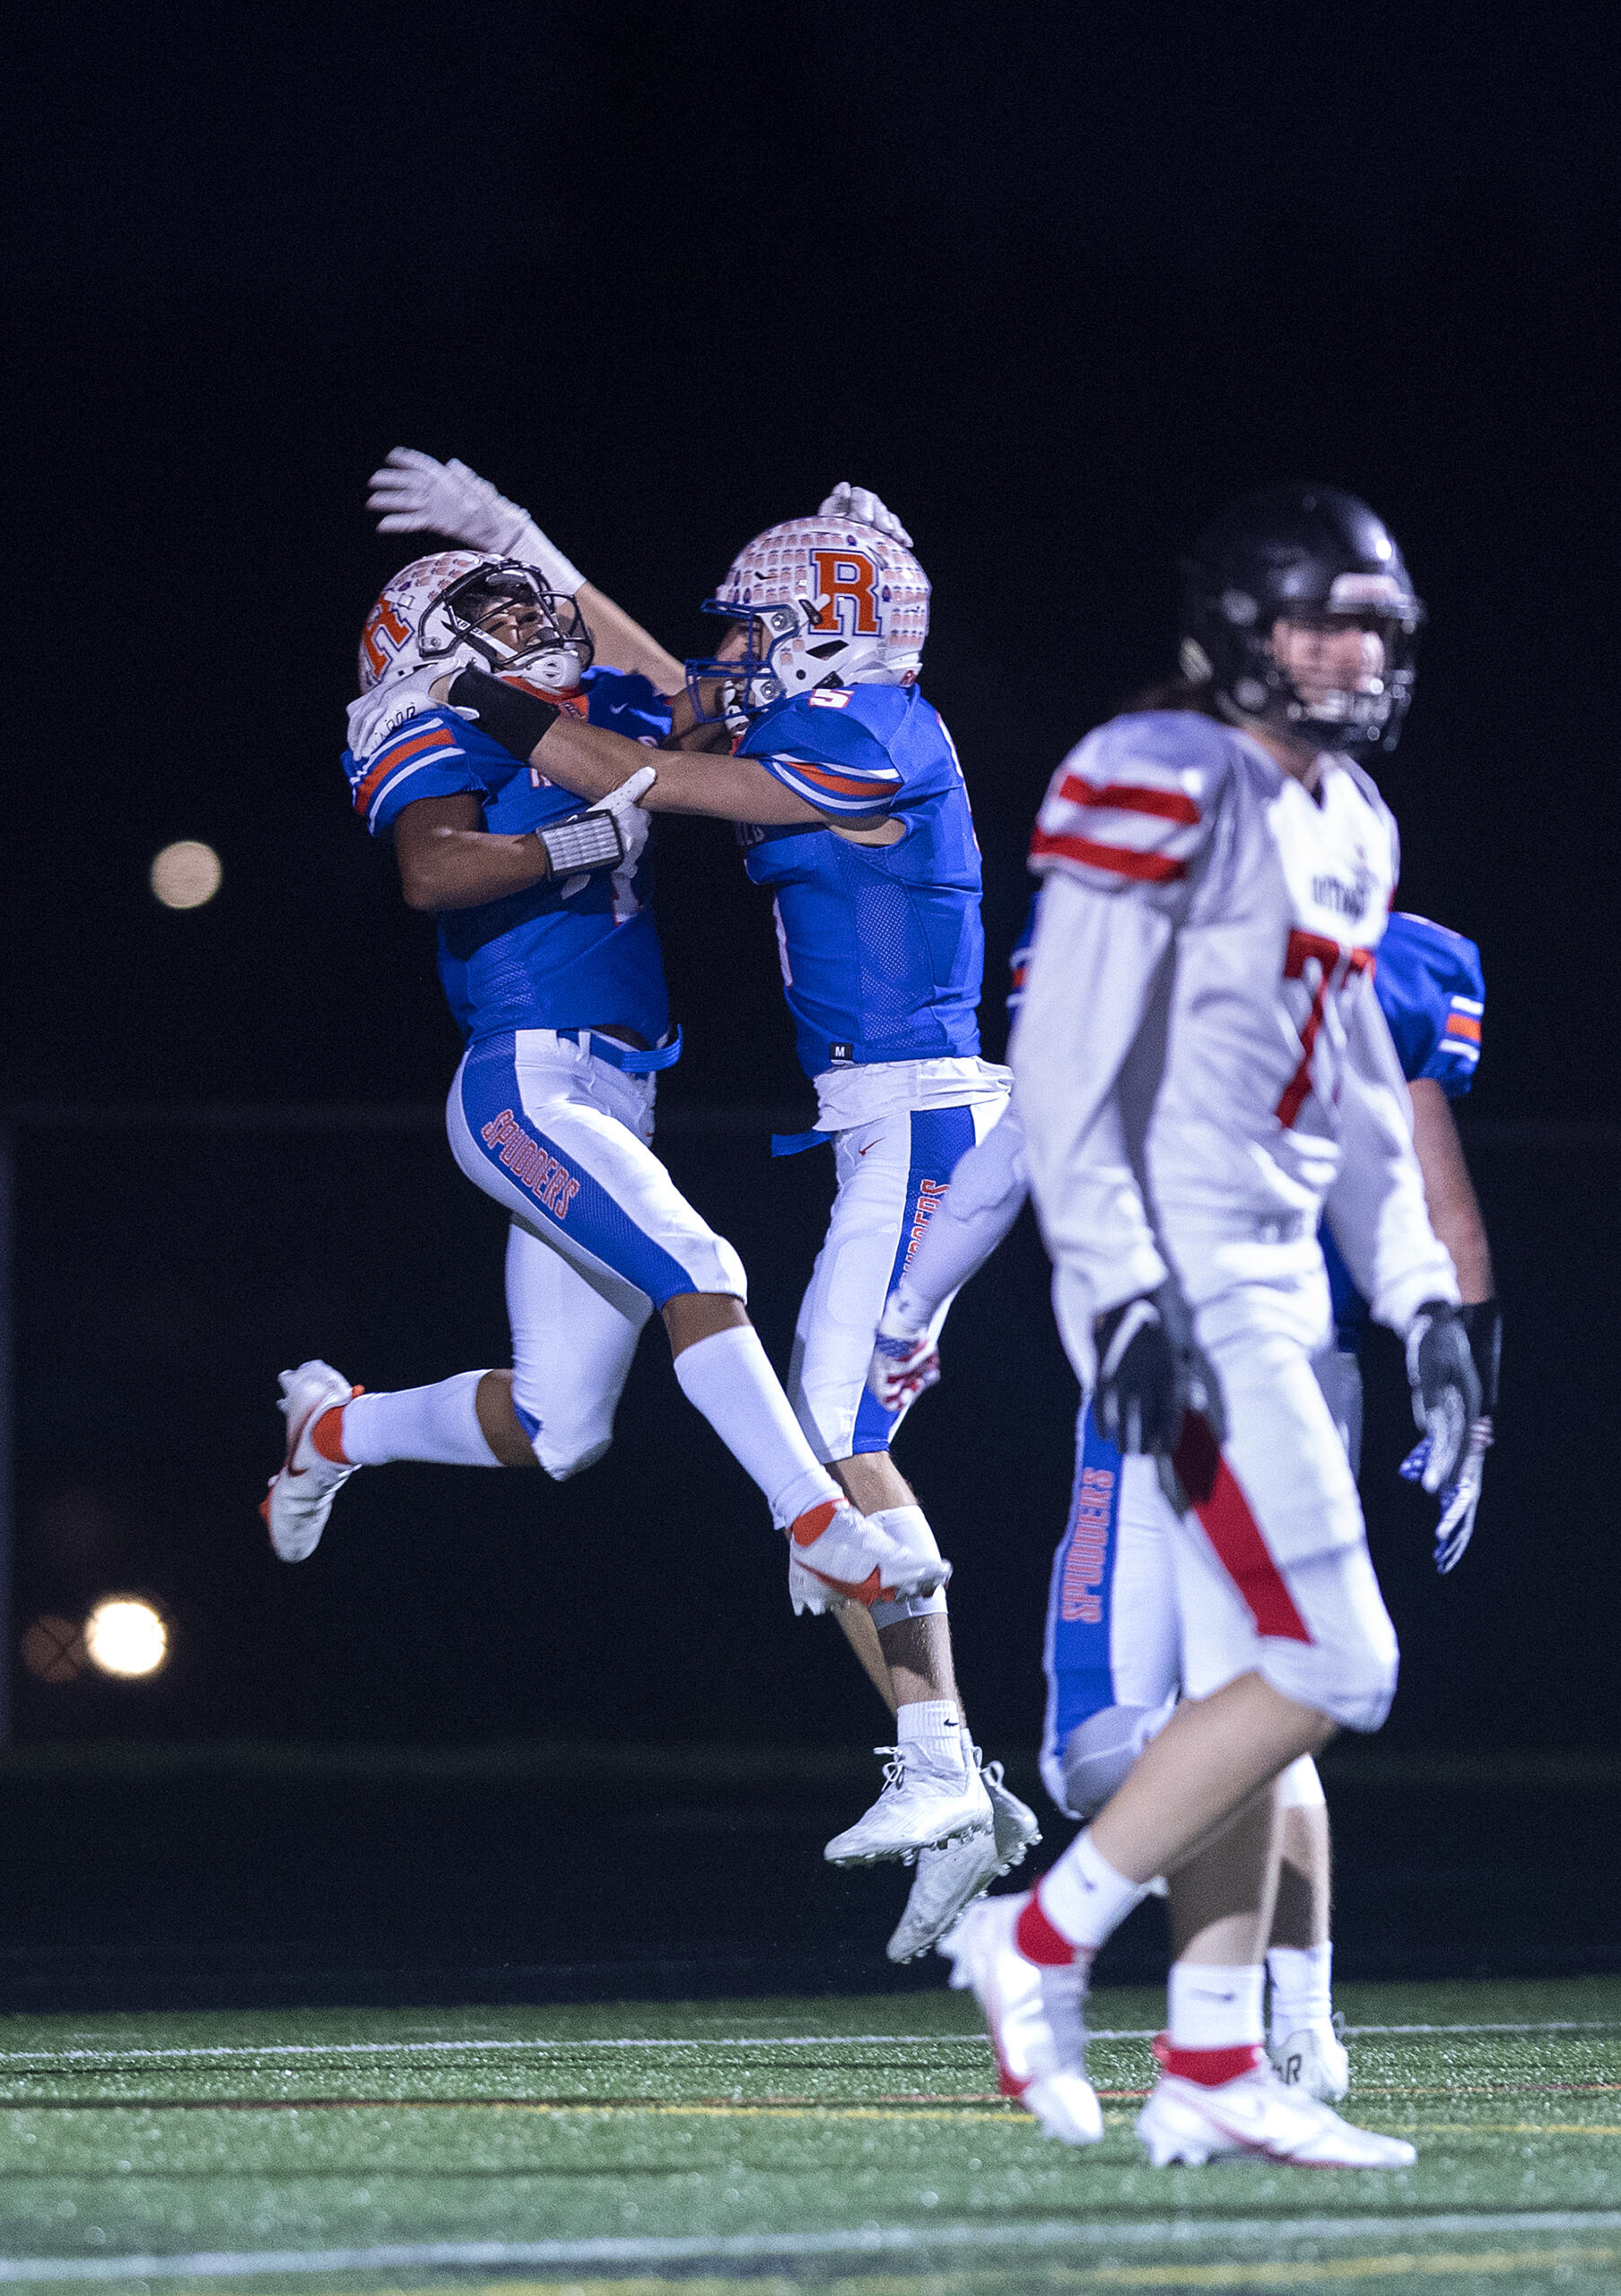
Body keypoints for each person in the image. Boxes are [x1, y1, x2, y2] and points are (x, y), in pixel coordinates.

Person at [356, 452, 1040, 1943]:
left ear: (821, 633)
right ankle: (952, 1777)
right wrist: (524, 540)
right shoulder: (830, 713)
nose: (728, 649)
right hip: (883, 1126)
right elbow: (663, 695)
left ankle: (939, 1763)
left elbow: (651, 772)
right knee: (821, 1439)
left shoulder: (867, 735)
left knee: (834, 1433)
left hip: (922, 1122)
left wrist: (471, 694)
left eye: (755, 625)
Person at [937, 483, 1478, 2168]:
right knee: (1337, 1660)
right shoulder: (1147, 775)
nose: (1344, 654)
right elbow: (1067, 1064)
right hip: (1180, 1265)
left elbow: (1364, 1111)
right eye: (1315, 618)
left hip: (1280, 1266)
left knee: (1255, 1670)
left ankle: (1209, 2067)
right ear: (1234, 628)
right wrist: (1115, 1287)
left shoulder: (1352, 822)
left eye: (1369, 625)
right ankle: (1032, 1939)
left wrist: (1420, 1307)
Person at [869, 896, 1498, 2083]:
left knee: (1099, 1753)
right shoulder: (1387, 954)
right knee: (1261, 1700)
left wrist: (905, 1313)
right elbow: (1426, 1203)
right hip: (1312, 1368)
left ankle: (1048, 1934)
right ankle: (1281, 2037)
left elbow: (1015, 1155)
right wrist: (1472, 1381)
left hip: (1179, 1370)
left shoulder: (1115, 936)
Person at [263, 545, 941, 1639]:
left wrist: (532, 539)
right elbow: (433, 872)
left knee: (559, 1424)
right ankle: (815, 1520)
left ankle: (335, 1433)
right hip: (523, 1081)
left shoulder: (585, 708)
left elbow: (688, 704)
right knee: (702, 1266)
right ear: (426, 645)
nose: (527, 616)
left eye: (524, 598)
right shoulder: (434, 722)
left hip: (621, 1087)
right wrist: (568, 841)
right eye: (492, 606)